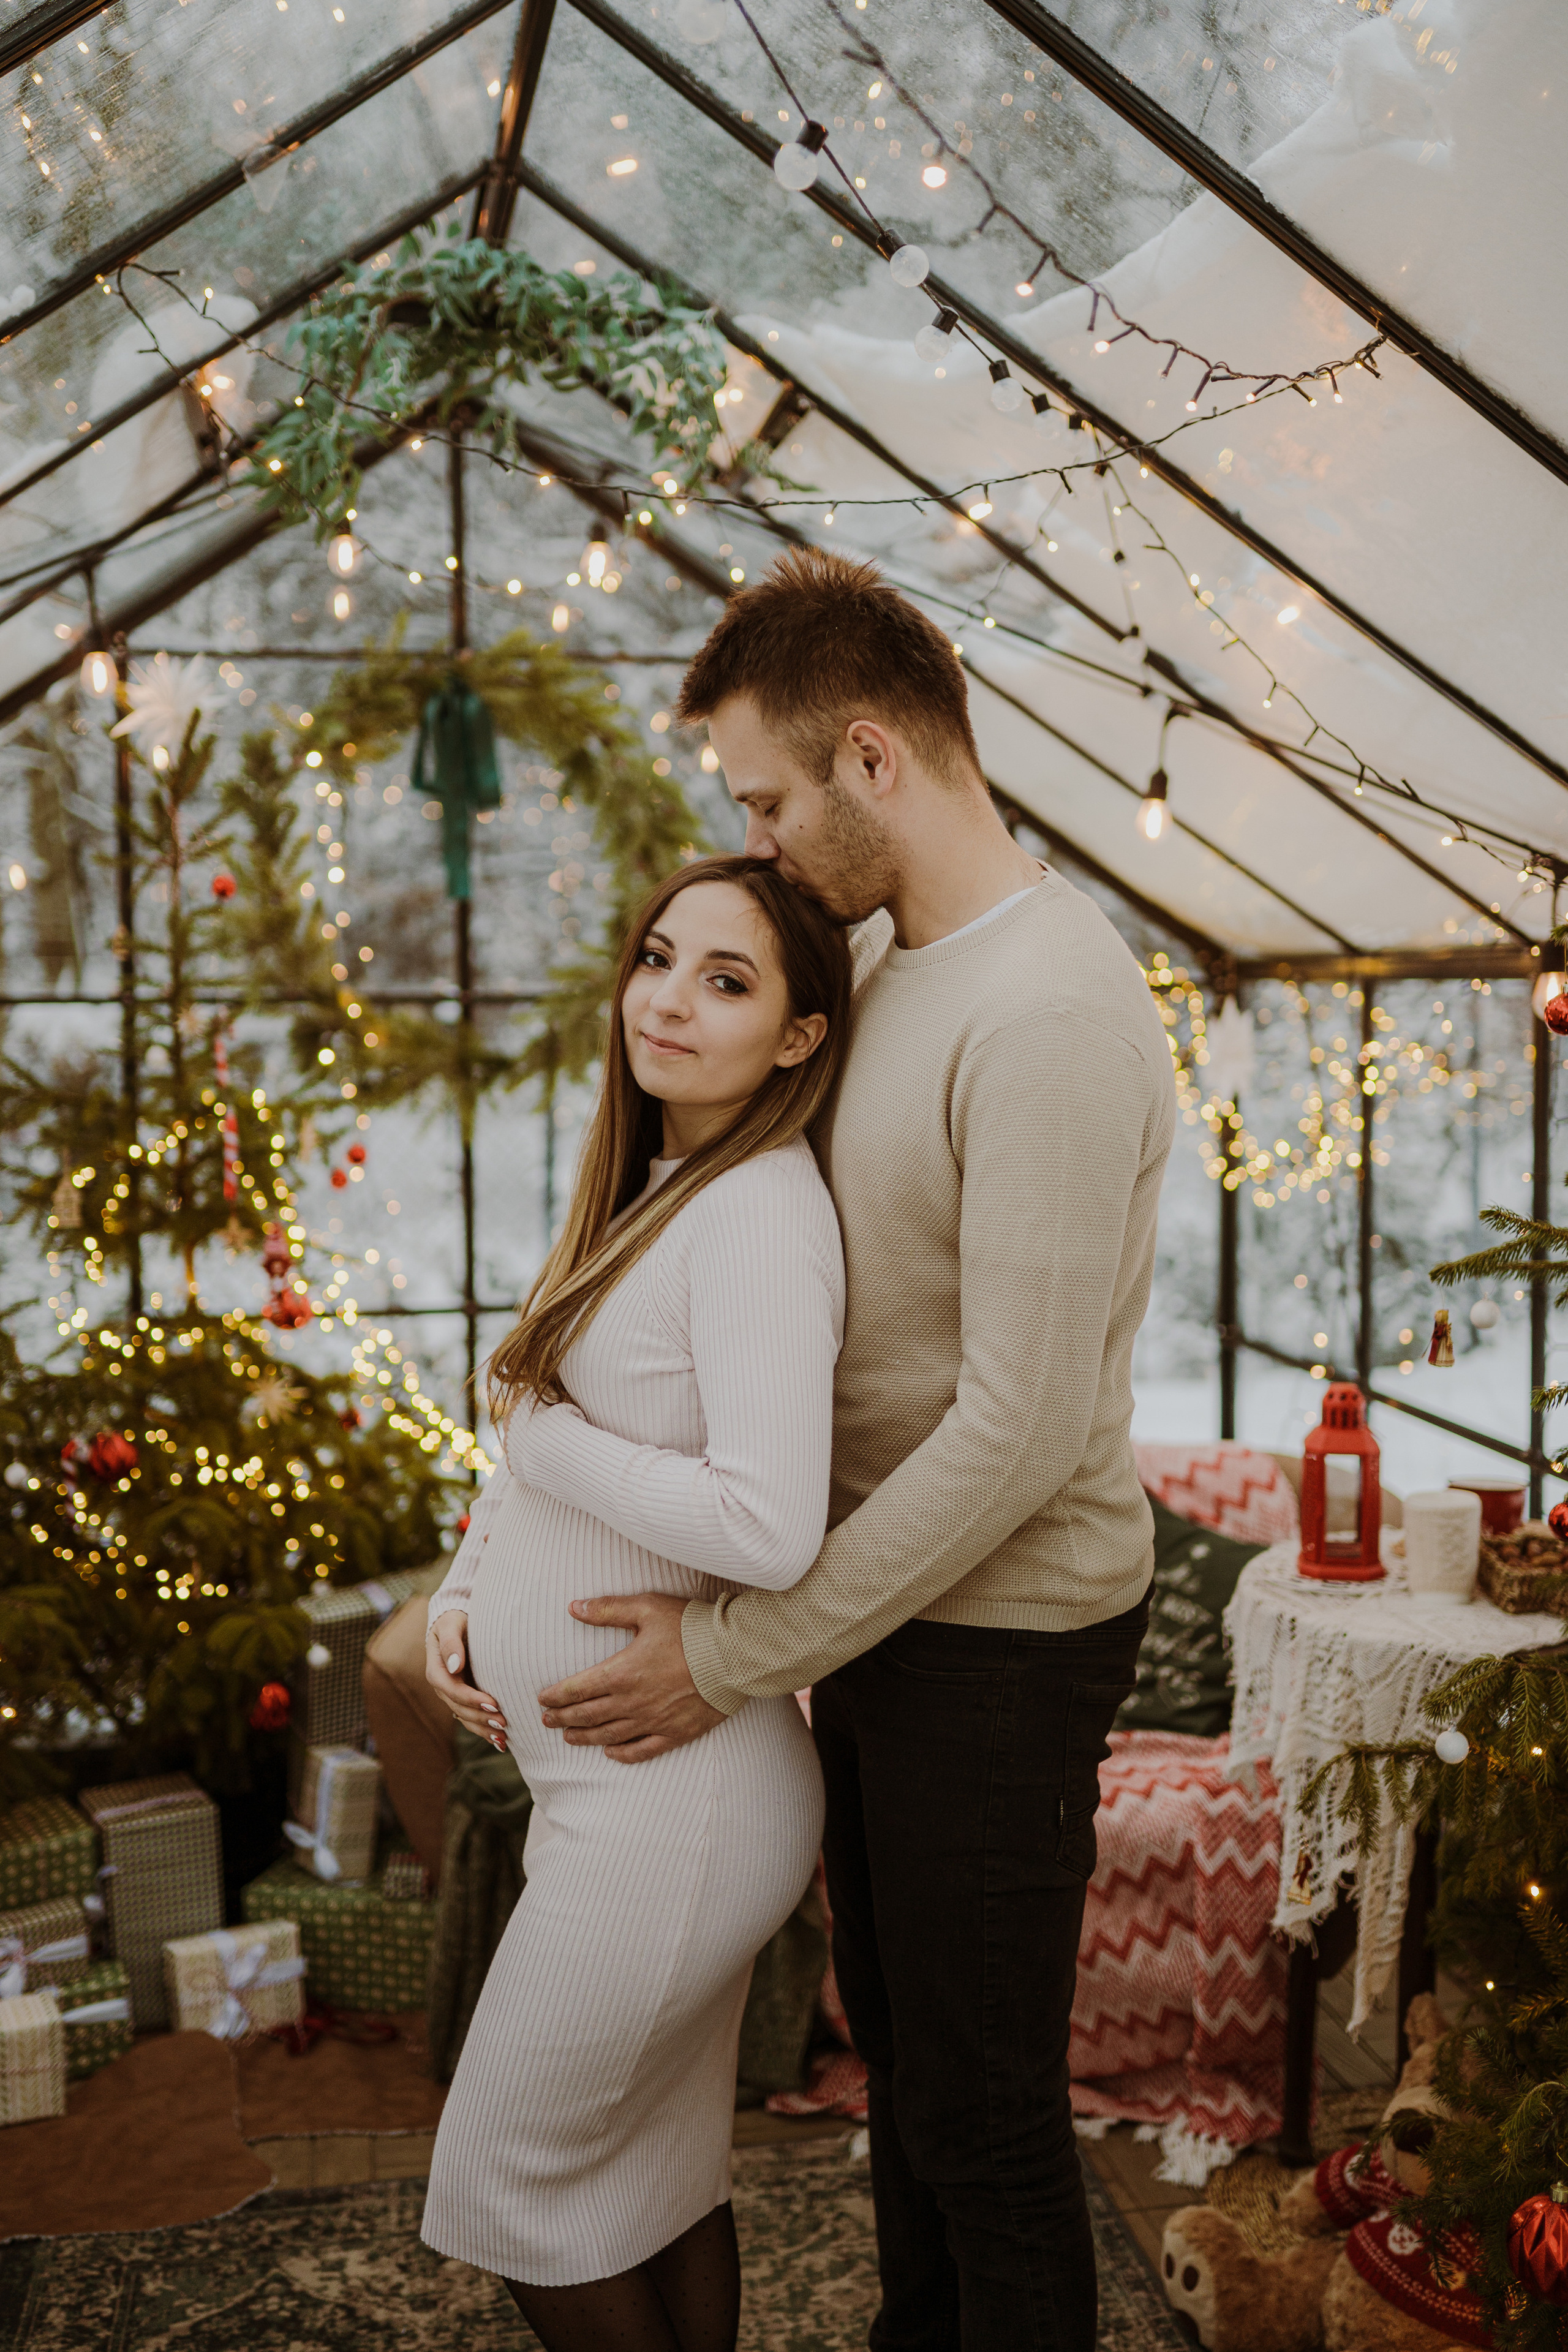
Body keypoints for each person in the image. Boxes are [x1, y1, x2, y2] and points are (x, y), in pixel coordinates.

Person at [531, 549, 1177, 2352]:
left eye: (765, 796)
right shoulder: (887, 962)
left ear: (873, 758)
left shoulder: (1048, 1013)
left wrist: (735, 1653)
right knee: (905, 2075)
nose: (756, 838)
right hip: (887, 1617)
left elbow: (1022, 1432)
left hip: (1010, 1633)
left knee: (983, 2112)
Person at [419, 854, 852, 2352]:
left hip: (677, 1805)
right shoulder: (660, 1185)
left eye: (725, 982)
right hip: (620, 1787)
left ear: (797, 1036)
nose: (666, 1000)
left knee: (503, 2177)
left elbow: (765, 1522)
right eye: (657, 958)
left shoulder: (754, 1218)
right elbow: (542, 1444)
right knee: (646, 2176)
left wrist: (543, 1441)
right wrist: (464, 1587)